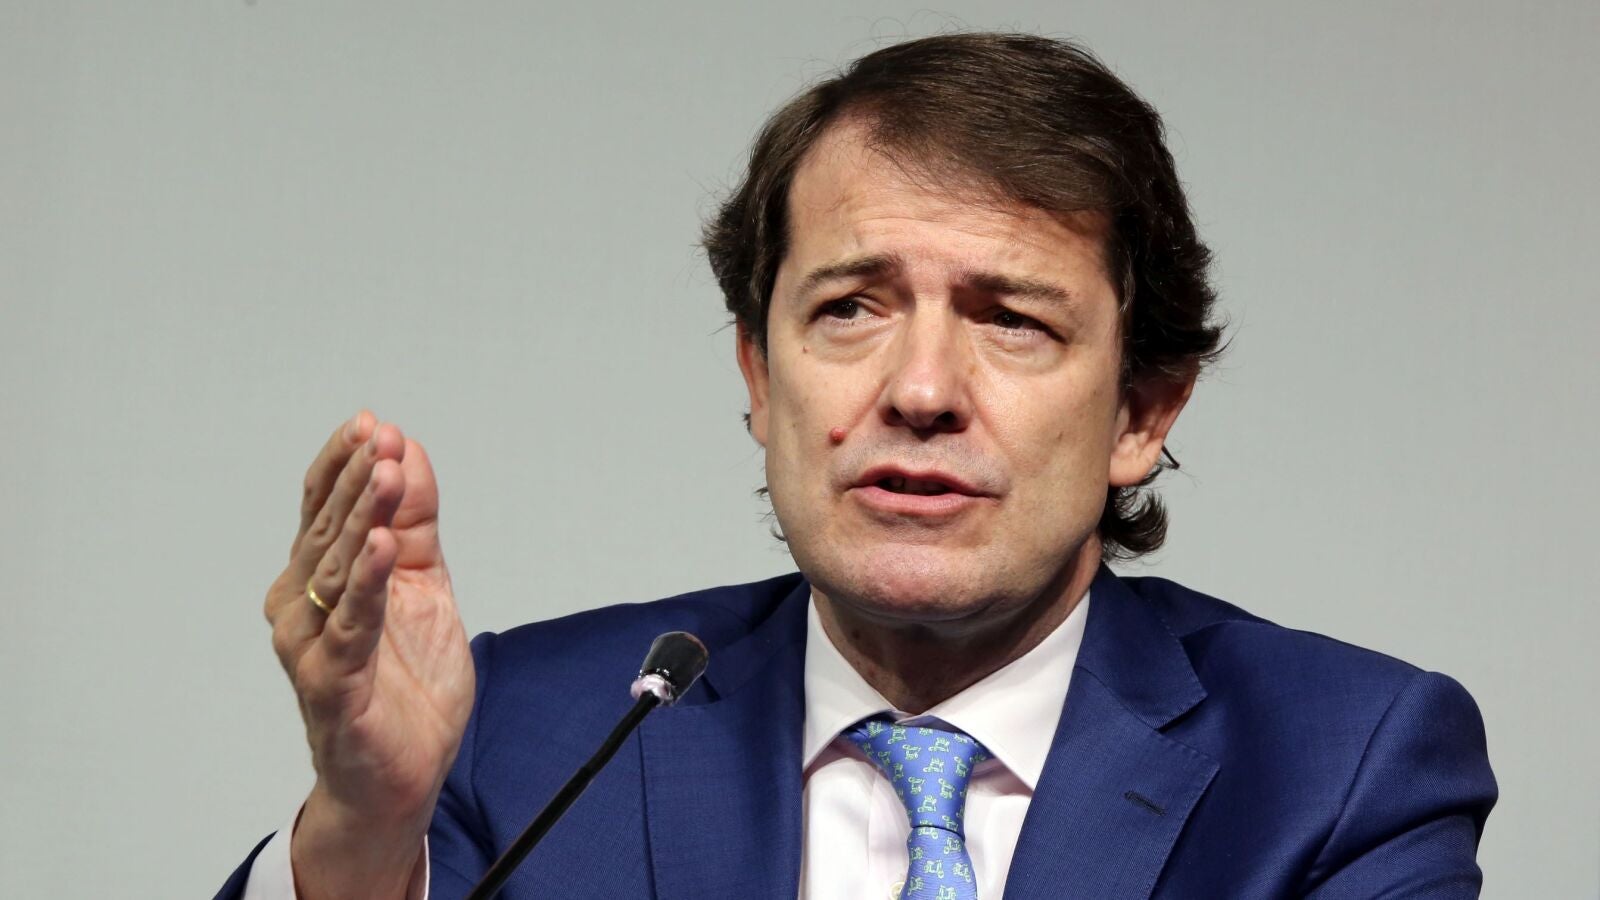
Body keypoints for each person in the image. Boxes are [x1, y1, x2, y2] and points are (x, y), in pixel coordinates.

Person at [218, 33, 1496, 900]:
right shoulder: (530, 728)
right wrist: (367, 829)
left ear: (1140, 412)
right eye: (849, 309)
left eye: (1012, 320)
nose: (920, 390)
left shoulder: (1343, 767)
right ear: (758, 377)